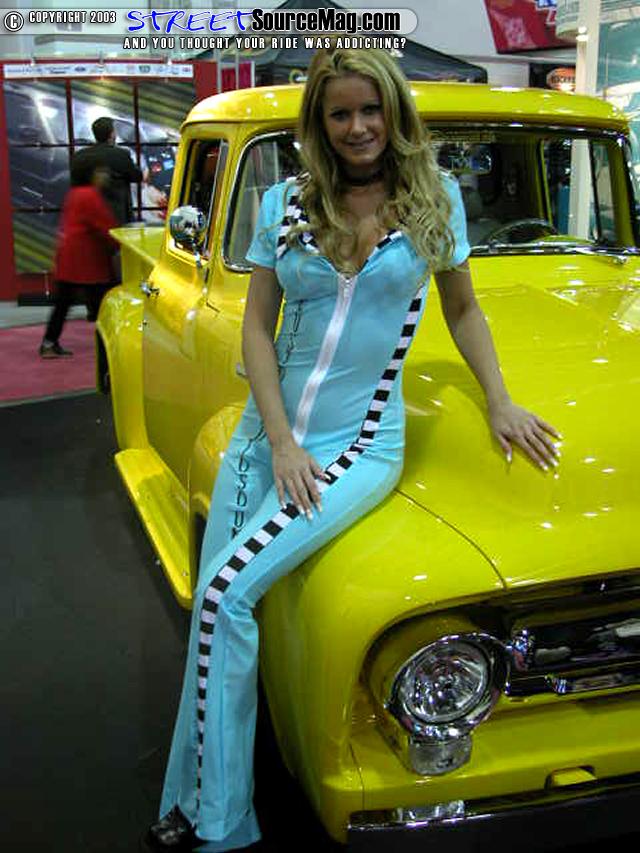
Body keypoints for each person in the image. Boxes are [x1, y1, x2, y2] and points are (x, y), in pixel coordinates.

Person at [143, 45, 561, 852]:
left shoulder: (434, 203)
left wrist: (499, 399)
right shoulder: (284, 204)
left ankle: (219, 822)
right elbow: (257, 327)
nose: (358, 126)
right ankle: (198, 800)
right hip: (266, 438)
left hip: (359, 444)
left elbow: (464, 310)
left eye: (371, 109)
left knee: (226, 591)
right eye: (340, 113)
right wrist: (279, 440)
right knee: (214, 610)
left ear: (393, 113)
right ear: (320, 122)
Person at [39, 165, 118, 358]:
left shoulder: (75, 193)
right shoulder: (91, 195)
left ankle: (49, 343)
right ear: (92, 176)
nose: (105, 176)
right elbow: (104, 225)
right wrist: (117, 242)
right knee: (102, 303)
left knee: (63, 303)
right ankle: (111, 346)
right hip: (85, 259)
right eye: (101, 173)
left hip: (70, 257)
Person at [71, 115, 145, 225]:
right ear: (112, 134)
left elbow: (75, 185)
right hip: (116, 218)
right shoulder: (121, 154)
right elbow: (138, 176)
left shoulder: (79, 156)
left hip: (88, 217)